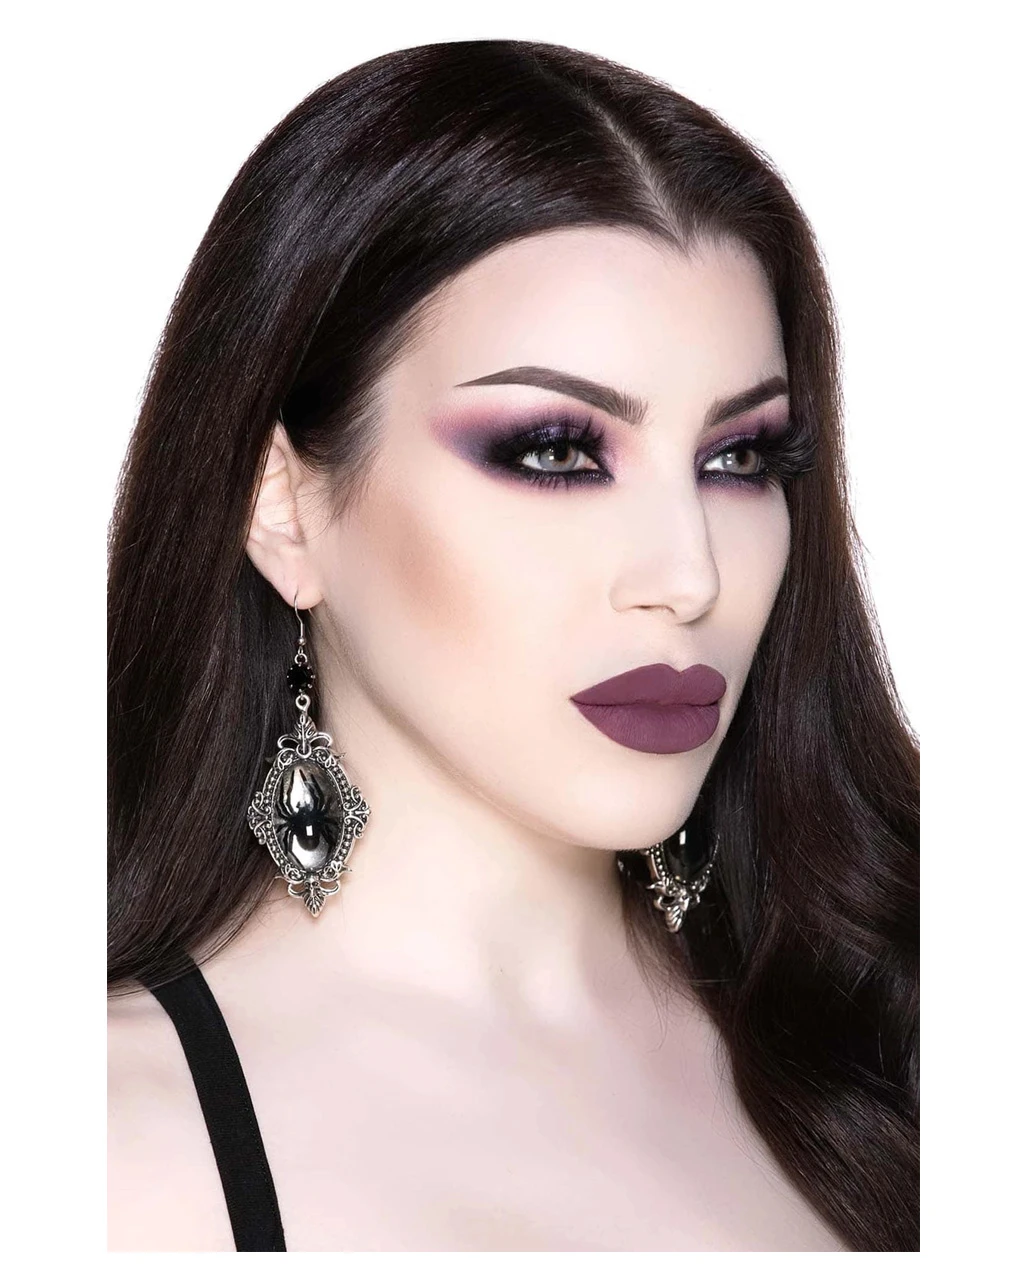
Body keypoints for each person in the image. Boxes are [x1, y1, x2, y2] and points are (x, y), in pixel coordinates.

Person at [107, 39, 919, 1253]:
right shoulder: (108, 1147)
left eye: (739, 457)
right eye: (556, 451)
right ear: (282, 506)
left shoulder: (902, 1022)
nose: (689, 574)